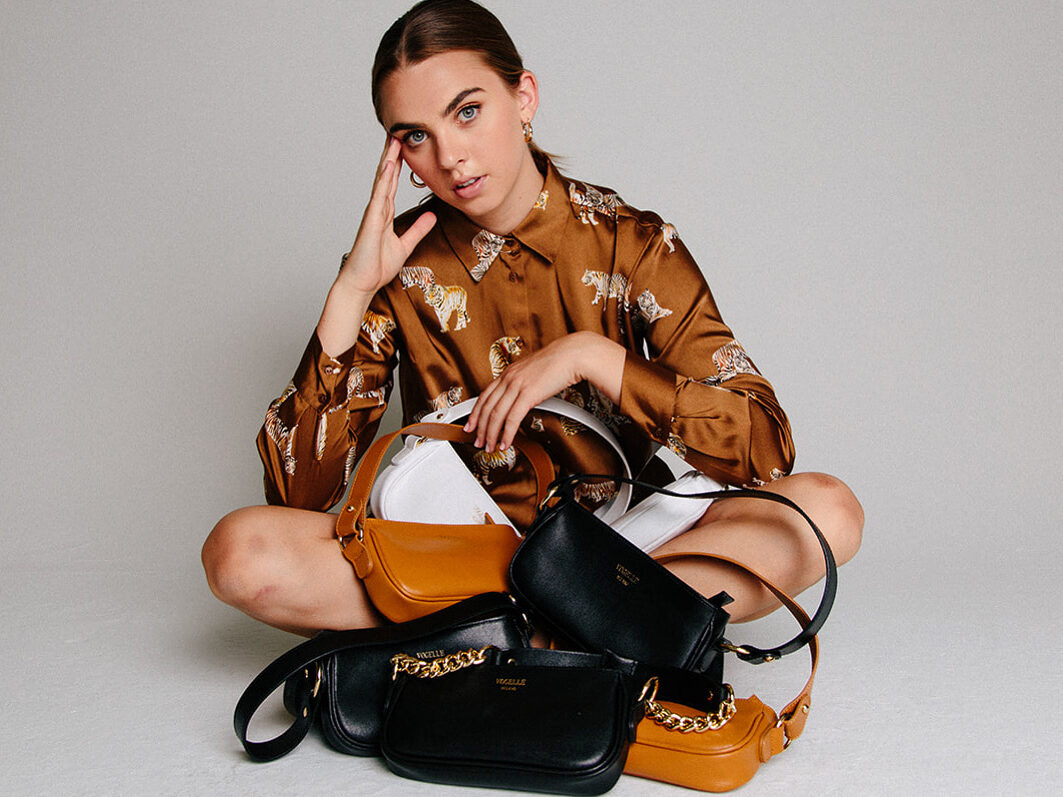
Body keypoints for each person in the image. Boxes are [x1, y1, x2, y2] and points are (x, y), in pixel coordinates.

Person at [202, 0, 863, 637]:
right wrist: (350, 290)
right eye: (416, 136)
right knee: (240, 551)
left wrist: (592, 357)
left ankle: (507, 633)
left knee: (825, 512)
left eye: (467, 112)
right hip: (454, 553)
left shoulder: (631, 243)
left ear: (523, 99)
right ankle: (580, 633)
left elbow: (765, 448)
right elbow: (298, 498)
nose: (450, 157)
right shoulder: (394, 264)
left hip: (622, 548)